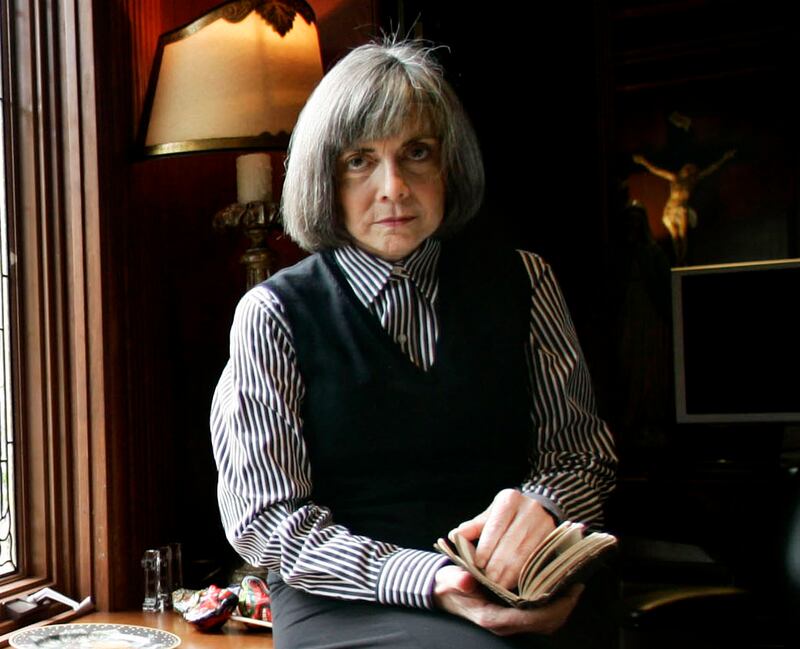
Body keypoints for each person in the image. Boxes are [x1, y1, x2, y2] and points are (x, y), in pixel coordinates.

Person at [211, 40, 617, 649]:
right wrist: (432, 579)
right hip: (345, 598)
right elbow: (267, 523)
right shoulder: (272, 314)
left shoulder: (526, 281)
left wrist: (544, 508)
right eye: (359, 161)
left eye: (417, 152)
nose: (394, 187)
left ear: (450, 164)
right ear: (325, 177)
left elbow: (581, 457)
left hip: (515, 582)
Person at [632, 150, 736, 263]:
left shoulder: (692, 181)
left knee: (682, 236)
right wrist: (643, 161)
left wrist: (725, 158)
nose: (689, 170)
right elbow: (656, 170)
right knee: (675, 237)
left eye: (691, 169)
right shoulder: (674, 178)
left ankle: (682, 260)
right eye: (687, 168)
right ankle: (679, 259)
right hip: (669, 210)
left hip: (681, 210)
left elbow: (711, 169)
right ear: (683, 169)